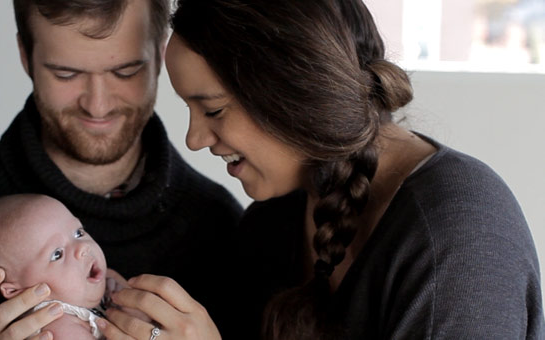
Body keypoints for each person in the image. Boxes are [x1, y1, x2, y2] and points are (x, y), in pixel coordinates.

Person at [96, 0, 544, 339]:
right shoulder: (270, 225)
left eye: (212, 110)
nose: (194, 140)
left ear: (294, 93)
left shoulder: (461, 237)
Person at [0, 0, 243, 338]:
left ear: (161, 57)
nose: (98, 105)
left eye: (125, 72)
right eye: (66, 74)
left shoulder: (224, 226)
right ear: (25, 56)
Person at [0, 194, 149, 340]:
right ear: (14, 291)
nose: (83, 247)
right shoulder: (57, 324)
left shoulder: (104, 281)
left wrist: (126, 300)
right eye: (57, 254)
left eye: (78, 233)